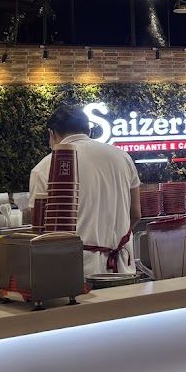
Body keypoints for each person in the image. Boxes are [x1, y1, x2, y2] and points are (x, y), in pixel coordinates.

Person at [29, 105, 140, 274]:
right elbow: (136, 213)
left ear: (52, 134)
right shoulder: (122, 157)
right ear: (88, 130)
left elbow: (40, 229)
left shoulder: (45, 167)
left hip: (75, 272)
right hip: (123, 268)